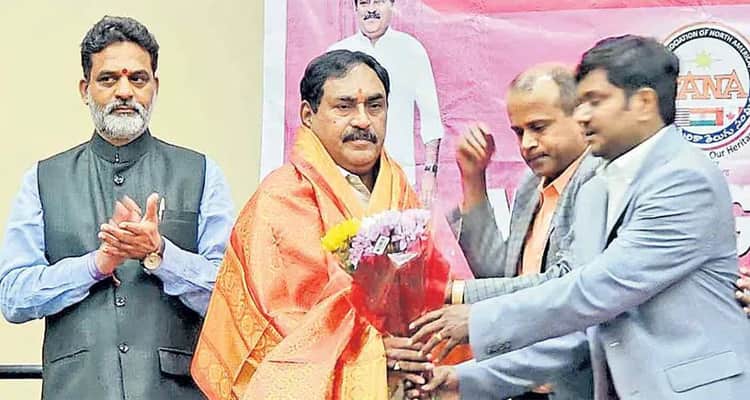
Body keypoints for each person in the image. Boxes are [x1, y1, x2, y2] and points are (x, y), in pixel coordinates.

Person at [410, 35, 750, 399]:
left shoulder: (684, 179)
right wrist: (466, 379)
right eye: (580, 103)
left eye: (595, 101)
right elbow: (580, 332)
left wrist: (479, 318)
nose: (582, 115)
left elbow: (599, 289)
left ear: (644, 103)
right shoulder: (600, 188)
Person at [0, 16, 234, 400]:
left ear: (155, 87)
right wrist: (95, 265)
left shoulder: (202, 172)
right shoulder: (42, 179)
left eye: (138, 79)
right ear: (85, 89)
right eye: (108, 79)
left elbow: (229, 297)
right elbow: (13, 297)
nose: (124, 91)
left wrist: (161, 254)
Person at [192, 49, 440, 400]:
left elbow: (436, 296)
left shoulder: (401, 194)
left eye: (375, 106)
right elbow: (274, 322)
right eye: (344, 107)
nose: (363, 121)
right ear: (308, 115)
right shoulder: (280, 199)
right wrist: (371, 355)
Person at [434, 64, 598, 400]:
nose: (527, 144)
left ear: (580, 117)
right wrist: (473, 180)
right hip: (520, 379)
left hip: (580, 382)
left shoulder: (598, 182)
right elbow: (501, 274)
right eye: (518, 132)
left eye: (538, 127)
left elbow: (567, 282)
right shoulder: (530, 185)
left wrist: (458, 294)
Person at [329, 0, 444, 206]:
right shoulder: (336, 54)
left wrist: (429, 172)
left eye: (378, 2)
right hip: (346, 175)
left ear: (392, 5)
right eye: (364, 3)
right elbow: (325, 118)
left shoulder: (411, 49)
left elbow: (430, 116)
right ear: (356, 8)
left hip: (398, 173)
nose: (371, 9)